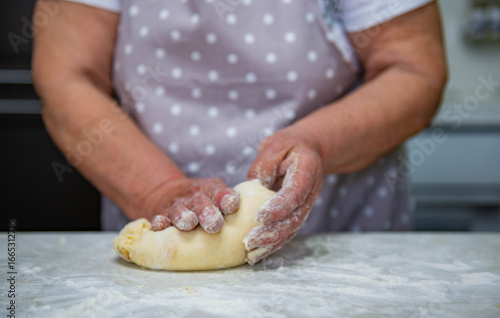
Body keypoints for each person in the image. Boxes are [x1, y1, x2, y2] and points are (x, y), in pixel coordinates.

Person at [32, 0, 447, 264]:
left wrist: (317, 141)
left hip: (338, 239)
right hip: (159, 229)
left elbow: (414, 70)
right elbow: (67, 77)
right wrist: (158, 189)